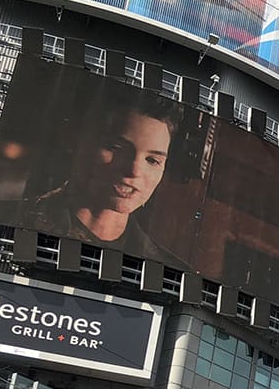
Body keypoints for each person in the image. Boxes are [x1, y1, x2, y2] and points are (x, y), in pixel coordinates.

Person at [22, 90, 184, 261]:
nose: (134, 171)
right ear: (74, 140)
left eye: (152, 160)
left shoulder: (167, 266)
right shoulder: (11, 221)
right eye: (115, 147)